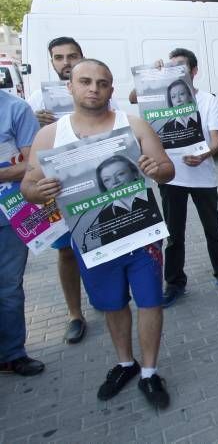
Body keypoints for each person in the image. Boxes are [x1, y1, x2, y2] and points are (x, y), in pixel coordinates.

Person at [21, 58, 176, 408]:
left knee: (151, 302)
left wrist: (157, 168)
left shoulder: (133, 126)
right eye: (86, 81)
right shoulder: (50, 136)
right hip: (93, 240)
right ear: (70, 87)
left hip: (141, 236)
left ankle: (150, 372)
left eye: (102, 83)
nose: (94, 88)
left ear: (111, 89)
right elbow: (28, 187)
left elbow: (166, 169)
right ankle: (125, 363)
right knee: (111, 304)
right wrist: (40, 190)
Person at [131, 48, 218, 307]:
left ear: (194, 72)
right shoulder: (161, 98)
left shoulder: (208, 101)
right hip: (171, 178)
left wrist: (203, 156)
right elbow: (132, 97)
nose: (176, 72)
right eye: (171, 67)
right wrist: (152, 73)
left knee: (213, 229)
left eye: (181, 67)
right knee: (174, 234)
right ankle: (174, 283)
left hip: (203, 177)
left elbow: (216, 142)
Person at [27, 37, 97, 345]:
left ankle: (105, 299)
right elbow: (26, 154)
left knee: (99, 244)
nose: (65, 62)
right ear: (52, 62)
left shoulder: (98, 92)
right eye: (59, 57)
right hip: (57, 191)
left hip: (93, 185)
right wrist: (34, 122)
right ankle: (74, 314)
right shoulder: (34, 101)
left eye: (72, 56)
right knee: (67, 252)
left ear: (82, 56)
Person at [0, 91, 45, 377]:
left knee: (8, 288)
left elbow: (33, 165)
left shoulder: (16, 108)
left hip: (9, 216)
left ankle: (13, 354)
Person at [90, 155, 161, 247]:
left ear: (135, 173)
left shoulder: (154, 195)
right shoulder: (104, 215)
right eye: (107, 179)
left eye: (120, 174)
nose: (115, 181)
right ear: (104, 186)